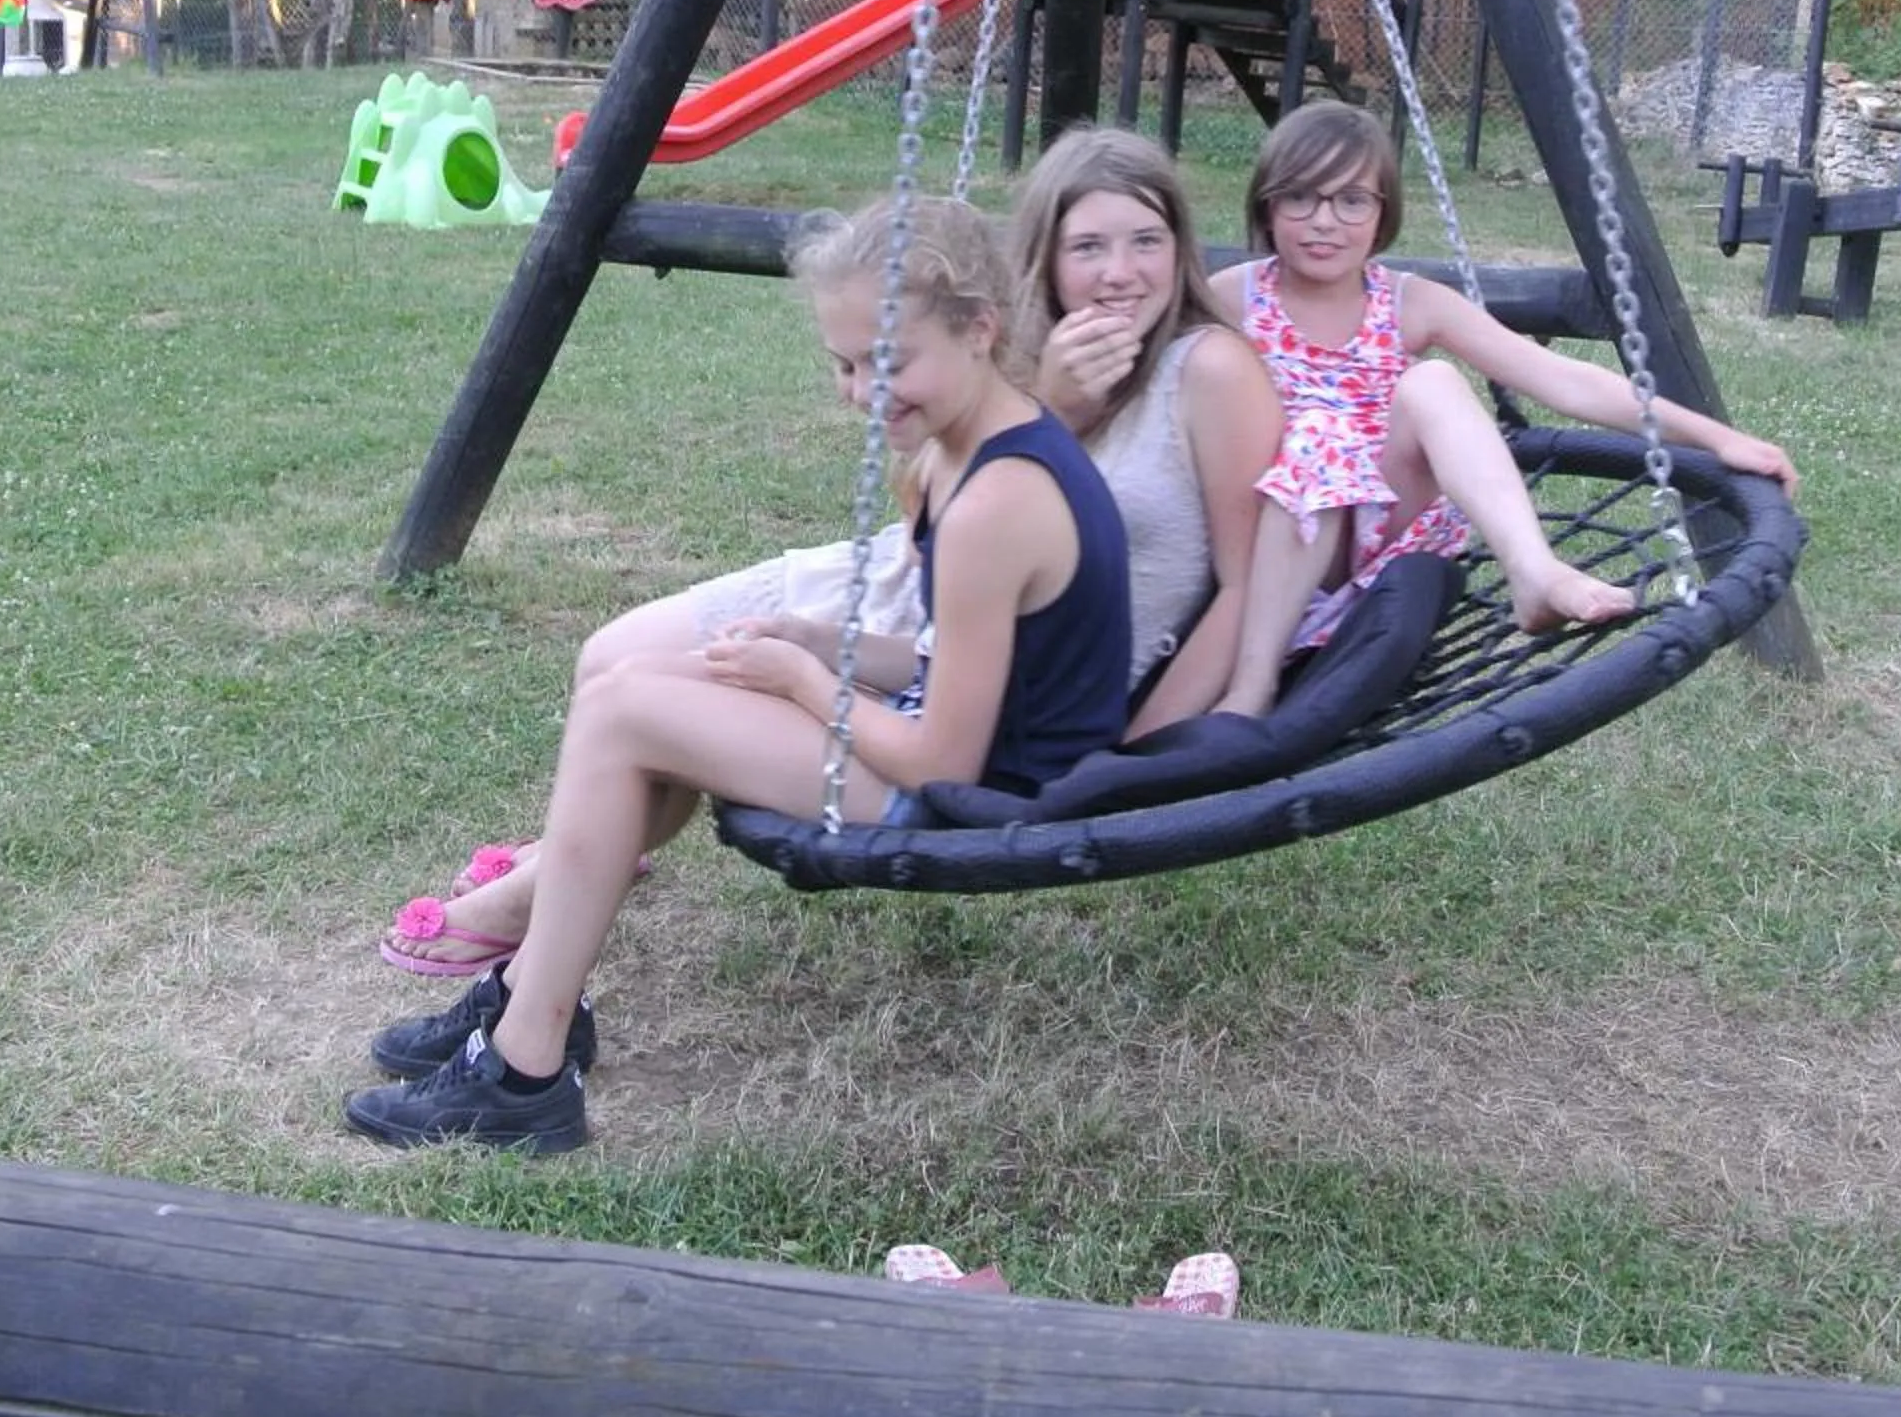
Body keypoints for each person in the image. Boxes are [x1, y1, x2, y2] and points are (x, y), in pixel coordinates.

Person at [378, 128, 1282, 973]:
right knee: (614, 659)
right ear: (1041, 260)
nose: (1119, 273)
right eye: (1089, 246)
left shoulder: (1199, 370)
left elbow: (1199, 570)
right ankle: (577, 854)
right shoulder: (1011, 363)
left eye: (1146, 241)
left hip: (987, 670)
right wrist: (1056, 393)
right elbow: (941, 490)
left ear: (1182, 247)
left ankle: (547, 901)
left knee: (636, 695)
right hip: (911, 602)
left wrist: (1171, 746)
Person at [344, 194, 1132, 1153]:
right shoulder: (949, 456)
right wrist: (814, 640)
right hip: (949, 738)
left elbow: (946, 760)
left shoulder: (999, 500)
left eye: (888, 363)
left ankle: (525, 1072)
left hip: (988, 792)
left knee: (628, 716)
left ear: (981, 329)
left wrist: (803, 683)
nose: (863, 392)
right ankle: (526, 999)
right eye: (844, 365)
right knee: (635, 682)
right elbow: (950, 663)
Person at [1212, 100, 1800, 718]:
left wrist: (1714, 439)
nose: (1324, 221)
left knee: (1434, 381)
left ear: (1382, 211)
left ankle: (1534, 571)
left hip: (1379, 538)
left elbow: (1562, 380)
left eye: (1352, 200)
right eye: (1300, 197)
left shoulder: (1407, 303)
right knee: (1314, 436)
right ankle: (1251, 685)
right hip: (1273, 537)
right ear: (1266, 205)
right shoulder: (1234, 299)